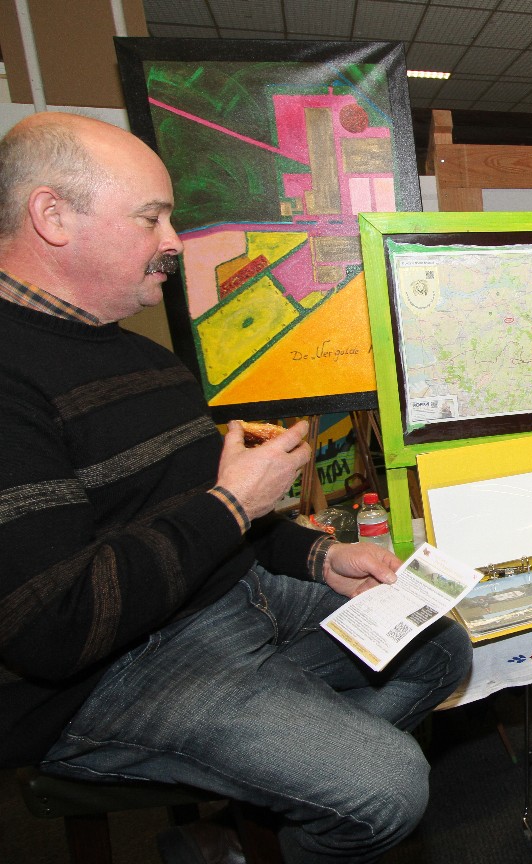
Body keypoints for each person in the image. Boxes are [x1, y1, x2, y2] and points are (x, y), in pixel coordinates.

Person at [0, 112, 472, 862]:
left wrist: (319, 557)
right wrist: (230, 506)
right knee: (387, 788)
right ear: (52, 216)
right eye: (151, 217)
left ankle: (248, 829)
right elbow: (53, 628)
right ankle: (292, 793)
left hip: (230, 600)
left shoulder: (142, 356)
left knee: (439, 646)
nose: (172, 241)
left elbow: (199, 514)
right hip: (111, 672)